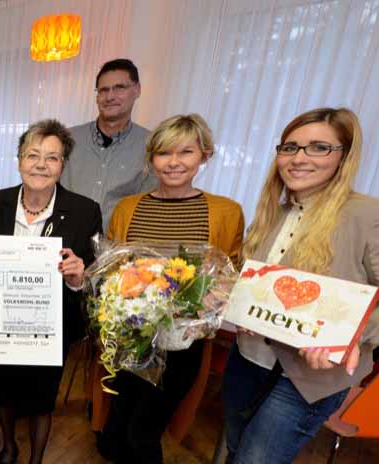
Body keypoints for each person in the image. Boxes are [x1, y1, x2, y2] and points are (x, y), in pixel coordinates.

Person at [222, 107, 379, 464]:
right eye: (290, 147)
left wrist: (350, 339)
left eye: (318, 147)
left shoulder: (374, 216)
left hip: (307, 380)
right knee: (236, 449)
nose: (299, 158)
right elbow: (260, 286)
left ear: (344, 156)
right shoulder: (274, 213)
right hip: (247, 359)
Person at [96, 114, 245, 463]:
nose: (174, 162)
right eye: (164, 153)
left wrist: (210, 300)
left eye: (186, 152)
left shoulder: (226, 212)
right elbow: (113, 266)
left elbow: (232, 272)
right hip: (131, 335)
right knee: (119, 422)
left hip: (182, 343)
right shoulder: (128, 208)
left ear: (204, 155)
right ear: (151, 159)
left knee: (143, 431)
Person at [0, 119, 102, 464]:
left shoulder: (85, 211)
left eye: (52, 158)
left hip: (51, 325)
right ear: (19, 159)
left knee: (42, 397)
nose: (41, 165)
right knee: (2, 390)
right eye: (32, 155)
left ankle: (36, 459)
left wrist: (78, 276)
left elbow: (92, 274)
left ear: (63, 165)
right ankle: (9, 447)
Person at [61, 58, 158, 232]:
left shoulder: (152, 145)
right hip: (64, 240)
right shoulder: (67, 139)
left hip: (117, 244)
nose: (110, 96)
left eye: (119, 88)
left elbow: (149, 207)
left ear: (137, 90)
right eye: (103, 90)